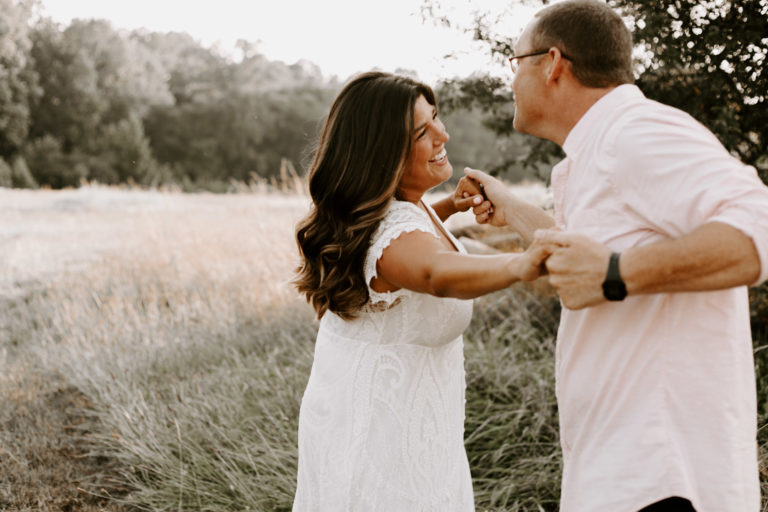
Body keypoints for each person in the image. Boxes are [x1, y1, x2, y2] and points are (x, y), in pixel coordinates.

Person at [460, 1, 768, 511]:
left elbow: (760, 223)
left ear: (552, 63)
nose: (509, 82)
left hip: (662, 475)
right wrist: (511, 209)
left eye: (513, 64)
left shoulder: (636, 132)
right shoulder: (594, 154)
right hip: (620, 466)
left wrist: (614, 273)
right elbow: (584, 248)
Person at [292, 71, 550, 511]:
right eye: (422, 131)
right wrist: (522, 264)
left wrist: (450, 206)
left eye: (437, 118)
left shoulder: (399, 211)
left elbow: (414, 236)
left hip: (410, 427)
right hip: (381, 444)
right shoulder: (392, 236)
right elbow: (434, 273)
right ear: (384, 154)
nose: (442, 134)